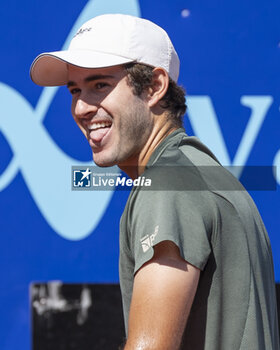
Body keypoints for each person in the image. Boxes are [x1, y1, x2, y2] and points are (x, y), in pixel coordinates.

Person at [30, 13, 279, 350]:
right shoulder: (198, 173)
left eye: (100, 85)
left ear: (155, 87)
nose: (81, 108)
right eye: (75, 90)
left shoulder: (167, 186)